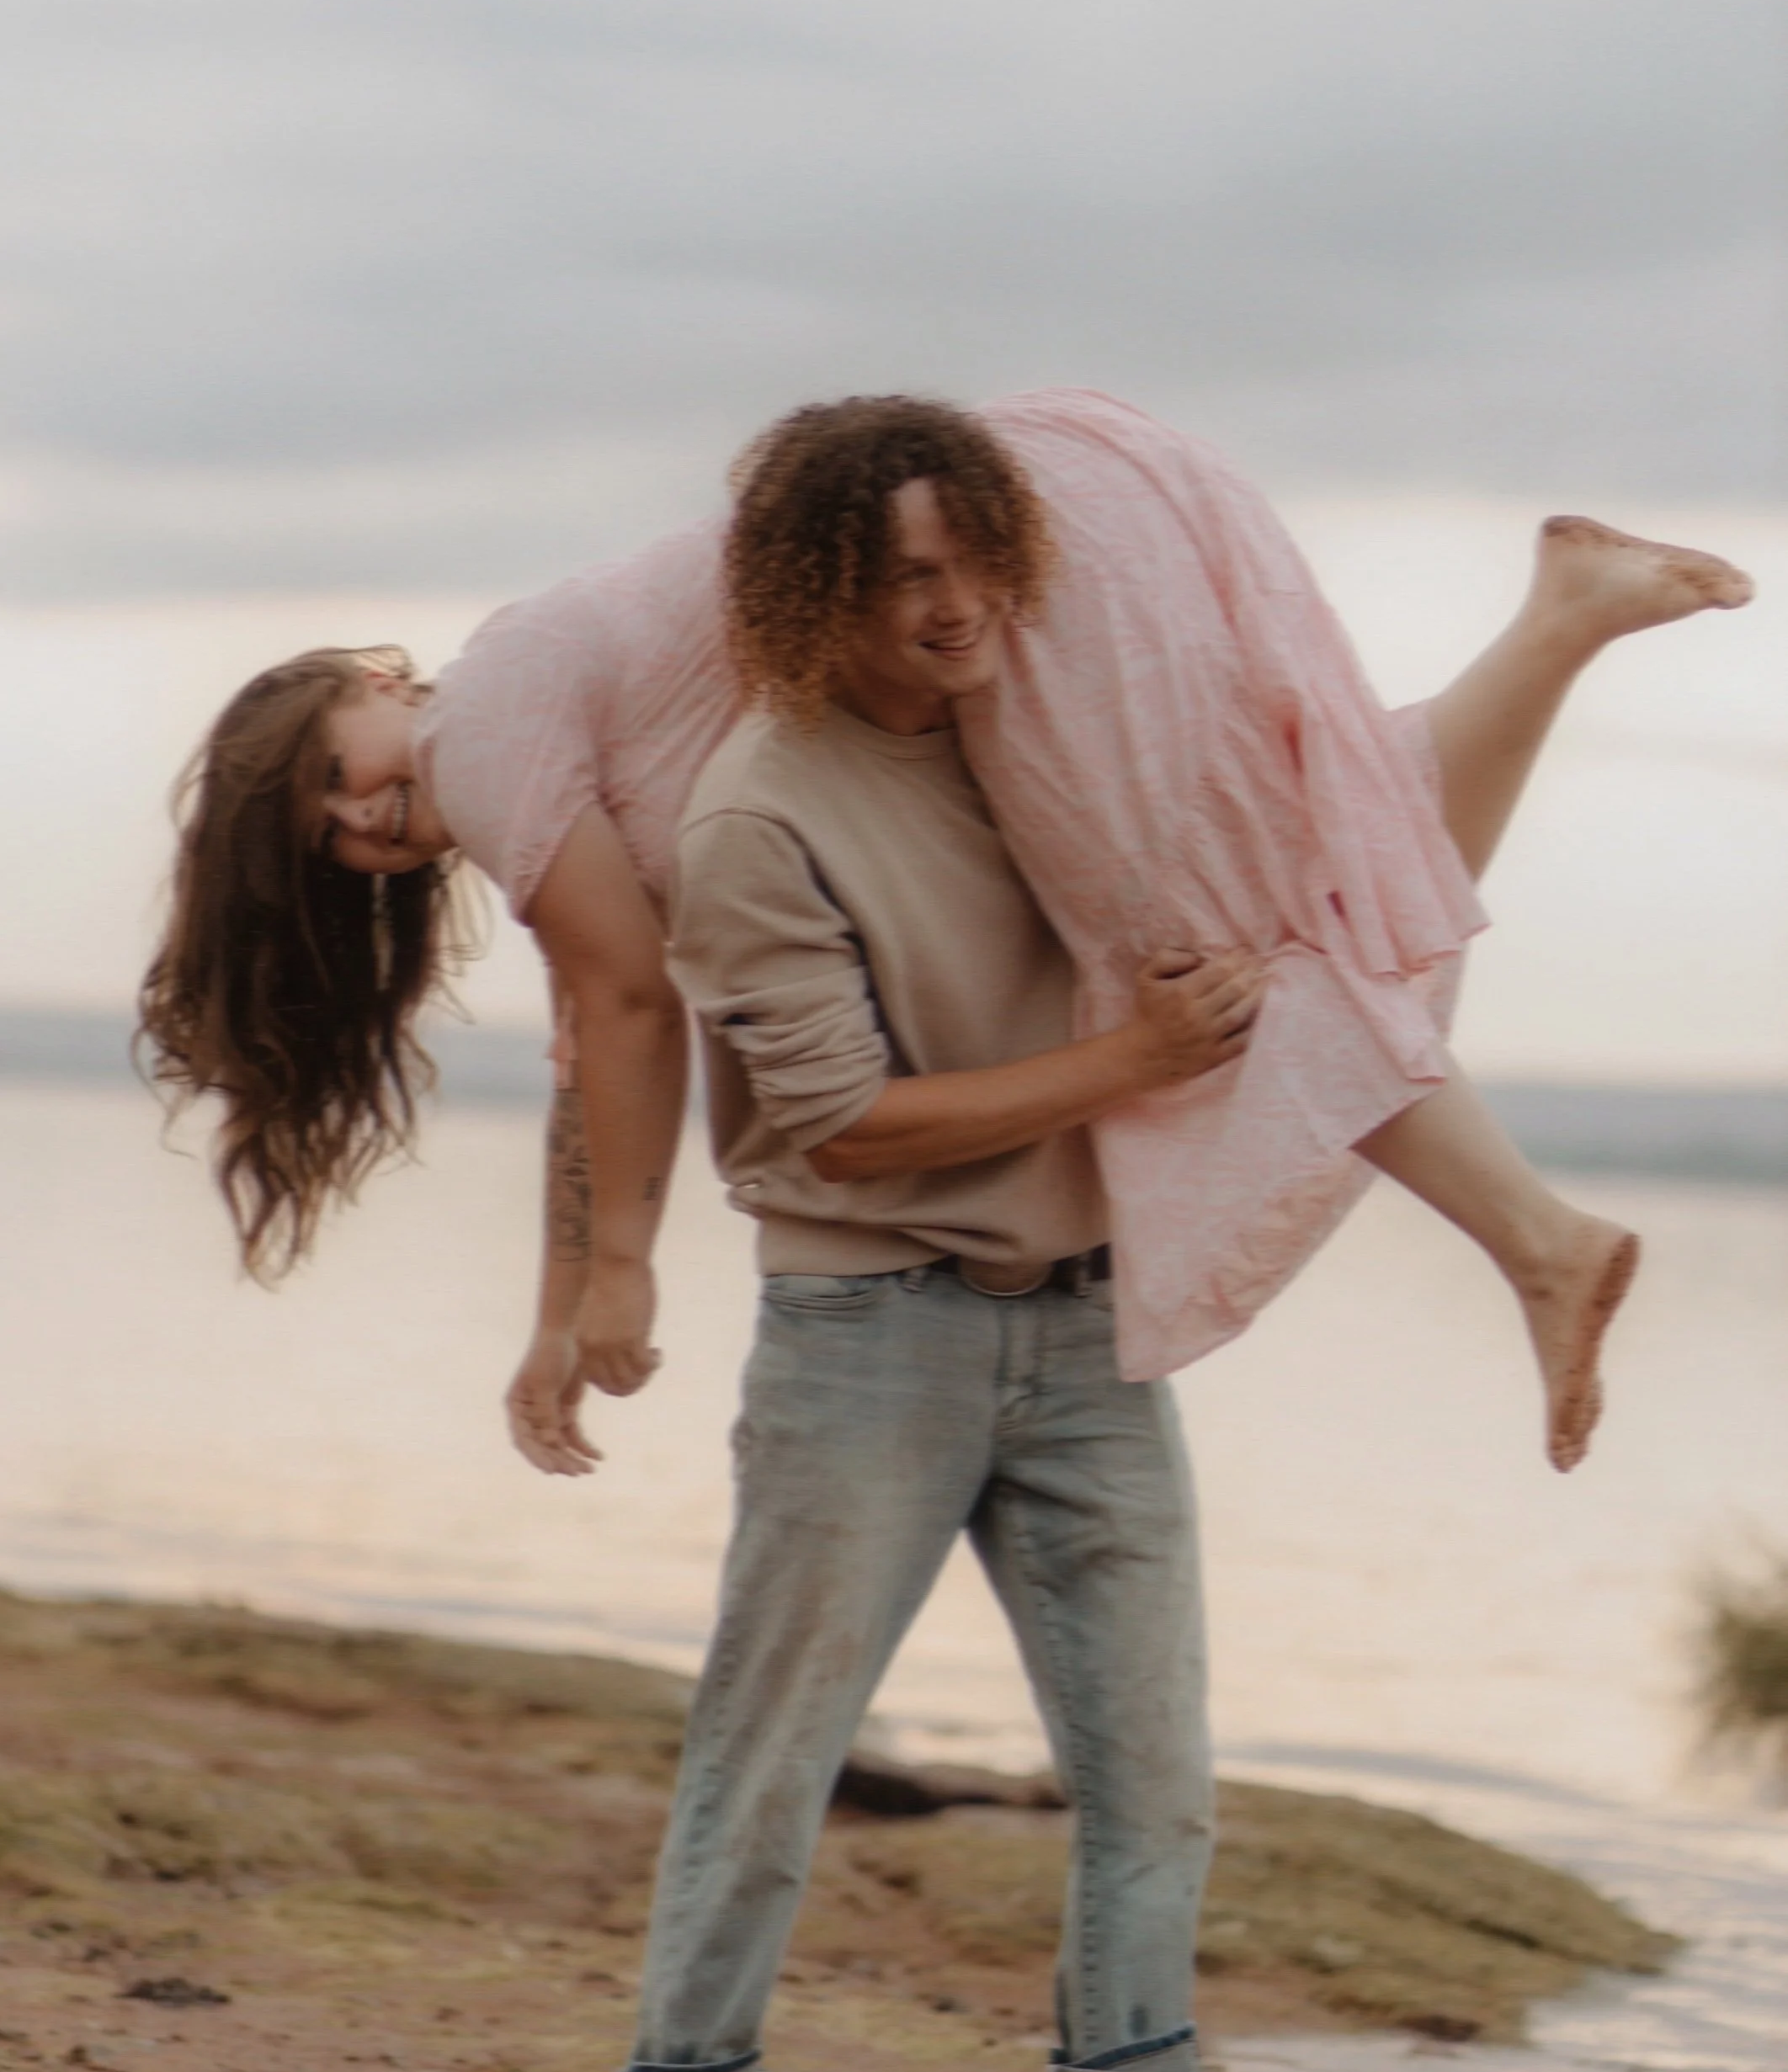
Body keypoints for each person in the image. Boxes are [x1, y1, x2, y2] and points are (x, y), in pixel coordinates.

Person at [138, 390, 1751, 1468]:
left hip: (973, 533)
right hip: (1058, 485)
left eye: (332, 770)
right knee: (1284, 878)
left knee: (1215, 945)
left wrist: (624, 1279)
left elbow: (634, 1011)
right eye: (327, 841)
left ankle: (1537, 1238)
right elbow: (594, 1040)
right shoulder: (525, 730)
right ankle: (1565, 621)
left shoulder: (482, 735)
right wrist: (566, 1308)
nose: (360, 818)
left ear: (376, 683)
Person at [599, 474, 1260, 2072]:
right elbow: (837, 1124)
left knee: (1155, 1782)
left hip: (1093, 1325)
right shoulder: (756, 814)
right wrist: (1133, 1055)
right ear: (811, 591)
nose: (950, 601)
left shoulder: (1049, 741)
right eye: (900, 574)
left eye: (972, 559)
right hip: (865, 1331)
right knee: (771, 1757)